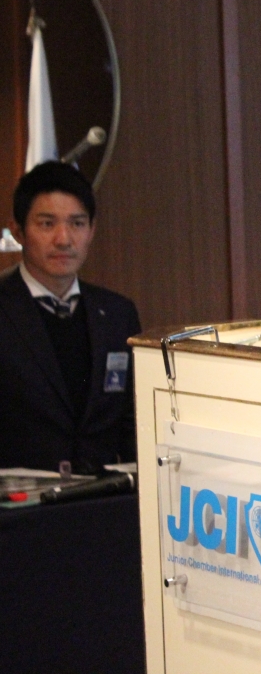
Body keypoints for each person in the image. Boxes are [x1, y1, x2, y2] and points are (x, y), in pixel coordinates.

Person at [0, 161, 141, 473]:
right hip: (18, 499)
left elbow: (132, 422)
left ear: (91, 230)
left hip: (103, 495)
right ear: (19, 231)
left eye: (77, 223)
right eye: (47, 224)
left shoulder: (118, 314)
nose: (63, 239)